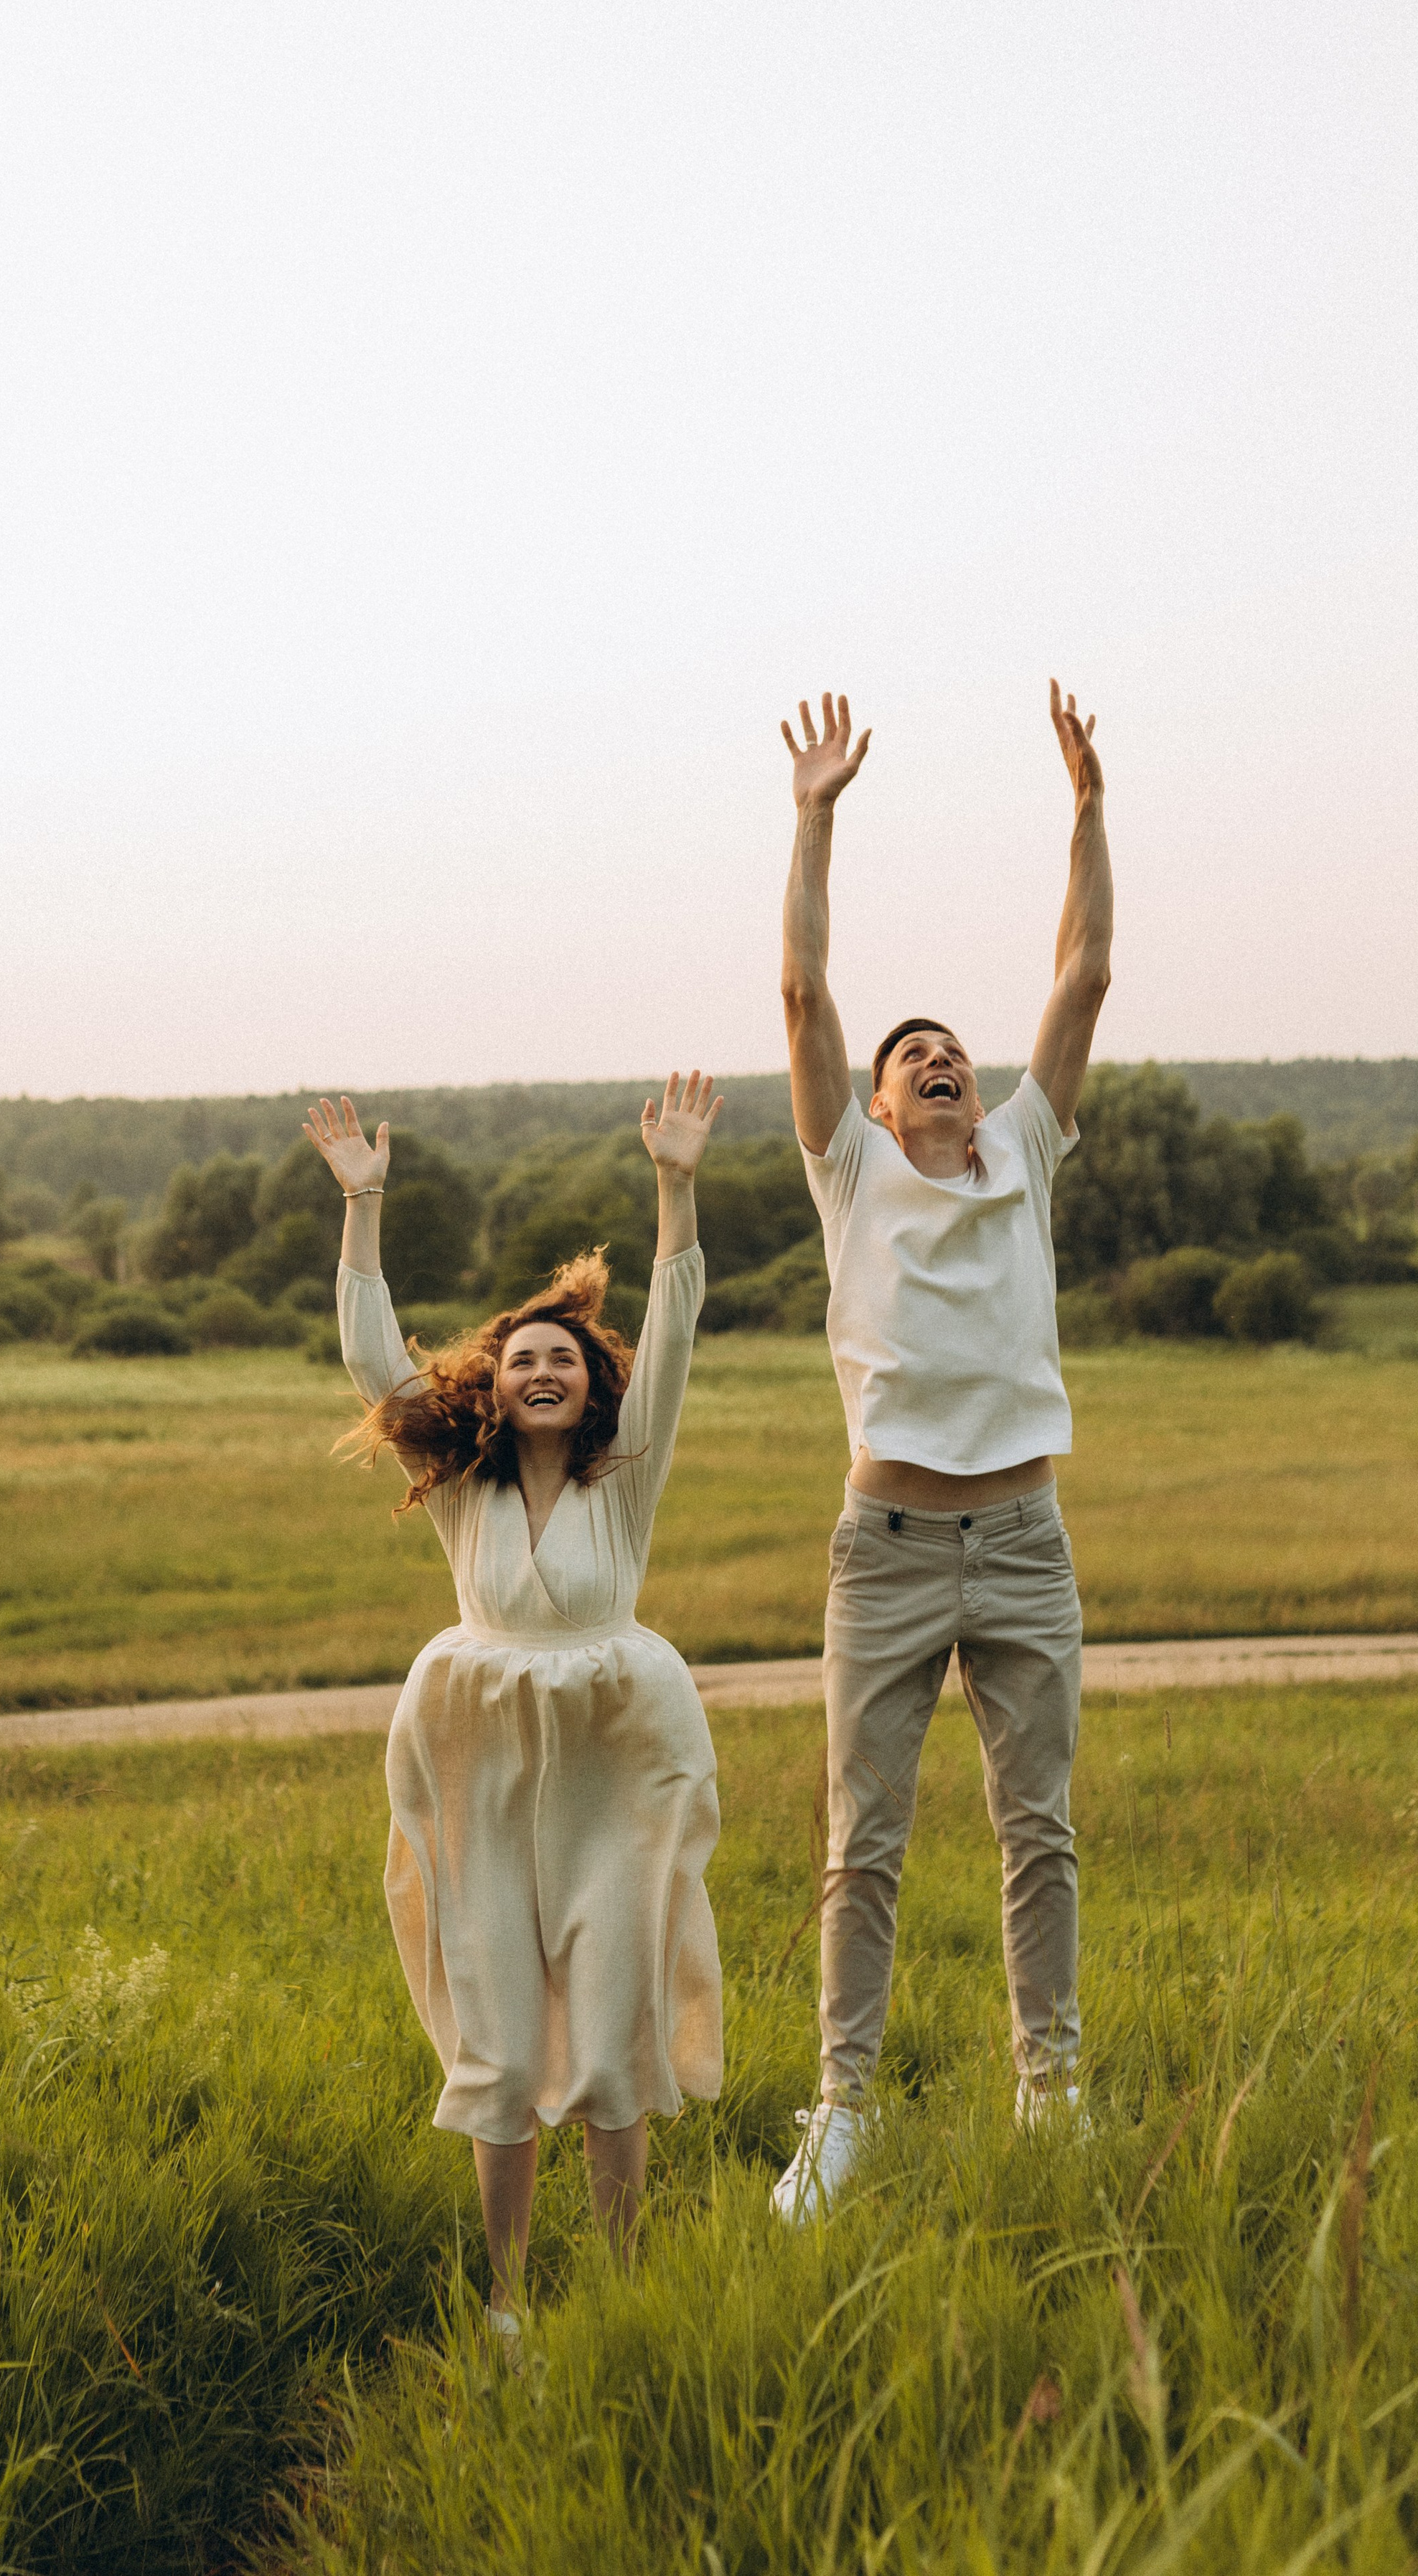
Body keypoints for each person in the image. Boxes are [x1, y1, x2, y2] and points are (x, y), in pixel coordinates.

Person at [304, 1072, 726, 2336]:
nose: (543, 1371)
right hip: (480, 1763)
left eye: (564, 1360)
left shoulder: (625, 1481)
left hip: (613, 1769)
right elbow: (370, 1357)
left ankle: (621, 2294)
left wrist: (676, 1184)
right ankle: (504, 2302)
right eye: (522, 1360)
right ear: (491, 1390)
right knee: (495, 2034)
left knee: (609, 2031)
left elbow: (678, 1328)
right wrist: (363, 1208)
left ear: (597, 1388)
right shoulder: (462, 1494)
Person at [770, 683, 1113, 2223]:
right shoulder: (851, 1172)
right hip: (890, 1553)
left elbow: (1085, 973)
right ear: (873, 1100)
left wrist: (1087, 814)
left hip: (1026, 1544)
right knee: (864, 1842)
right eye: (911, 1052)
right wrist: (813, 818)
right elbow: (800, 991)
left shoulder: (1025, 1148)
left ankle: (1052, 2094)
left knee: (1038, 1832)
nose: (938, 1058)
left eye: (953, 1049)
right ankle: (841, 2111)